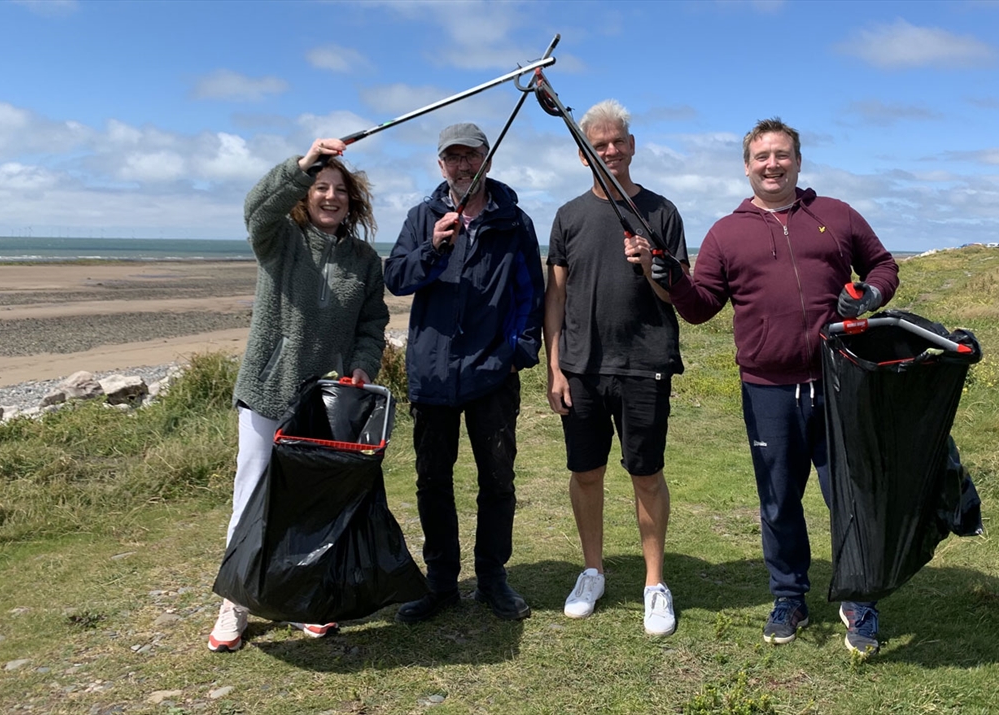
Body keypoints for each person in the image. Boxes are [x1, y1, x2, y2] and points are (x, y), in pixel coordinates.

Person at [650, 118, 899, 658]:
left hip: (838, 383)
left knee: (849, 498)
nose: (772, 164)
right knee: (778, 500)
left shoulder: (834, 215)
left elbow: (882, 265)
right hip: (767, 389)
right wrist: (669, 278)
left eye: (781, 155)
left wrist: (871, 295)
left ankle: (858, 599)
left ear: (798, 161)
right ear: (746, 166)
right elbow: (699, 307)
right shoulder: (725, 233)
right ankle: (790, 597)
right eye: (761, 156)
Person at [209, 138, 390, 653]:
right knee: (252, 498)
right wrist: (301, 162)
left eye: (340, 191)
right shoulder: (279, 239)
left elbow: (372, 323)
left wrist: (362, 363)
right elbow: (254, 208)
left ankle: (305, 598)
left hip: (322, 399)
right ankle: (236, 602)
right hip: (267, 390)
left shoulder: (363, 260)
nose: (330, 197)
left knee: (310, 504)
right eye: (320, 188)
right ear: (304, 196)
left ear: (353, 202)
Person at [385, 123, 544, 623]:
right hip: (432, 377)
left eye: (471, 156)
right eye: (452, 158)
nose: (462, 166)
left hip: (491, 376)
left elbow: (530, 297)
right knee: (433, 481)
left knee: (497, 479)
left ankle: (493, 578)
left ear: (488, 160)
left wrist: (515, 352)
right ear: (440, 166)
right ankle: (441, 584)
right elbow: (396, 279)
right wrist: (432, 247)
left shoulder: (514, 222)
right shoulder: (422, 217)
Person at [545, 100, 690, 637]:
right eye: (598, 144)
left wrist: (649, 263)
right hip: (581, 367)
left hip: (644, 361)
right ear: (584, 154)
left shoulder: (662, 212)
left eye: (618, 142)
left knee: (646, 474)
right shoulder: (568, 216)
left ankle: (655, 584)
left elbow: (675, 293)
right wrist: (555, 367)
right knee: (585, 473)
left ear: (633, 146)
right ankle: (593, 571)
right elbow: (555, 297)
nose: (610, 151)